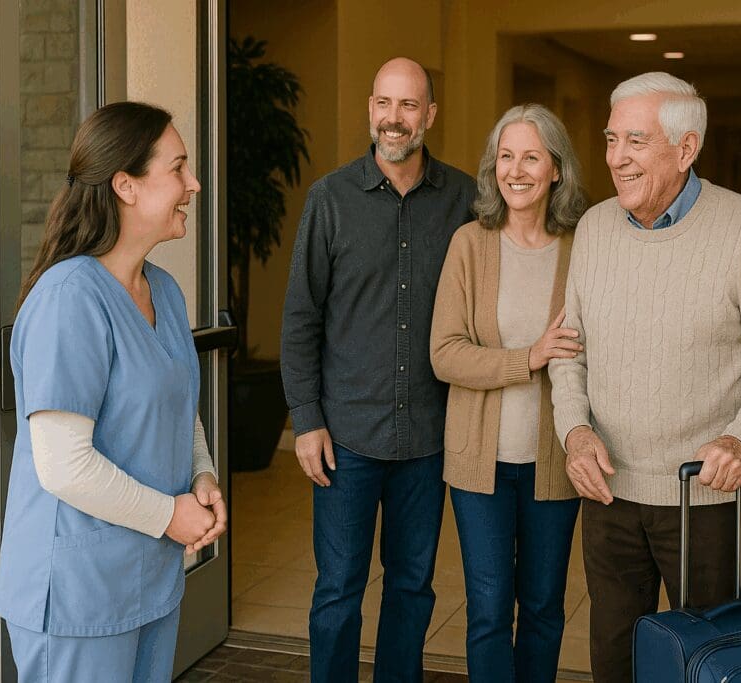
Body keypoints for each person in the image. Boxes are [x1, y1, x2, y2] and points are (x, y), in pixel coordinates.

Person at [548, 72, 741, 683]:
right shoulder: (593, 229)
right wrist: (575, 432)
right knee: (614, 660)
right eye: (612, 140)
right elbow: (569, 350)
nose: (616, 158)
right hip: (609, 491)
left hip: (705, 498)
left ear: (686, 149)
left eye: (635, 142)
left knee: (706, 668)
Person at [0, 101, 227, 682]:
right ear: (125, 185)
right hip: (78, 595)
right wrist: (170, 516)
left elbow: (178, 407)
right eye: (178, 169)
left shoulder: (165, 293)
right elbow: (64, 466)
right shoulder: (68, 298)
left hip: (150, 581)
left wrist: (202, 475)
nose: (192, 184)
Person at [280, 57, 476, 683]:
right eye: (385, 105)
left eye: (410, 106)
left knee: (413, 587)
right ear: (371, 109)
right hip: (347, 439)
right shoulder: (330, 199)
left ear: (430, 115)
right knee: (338, 591)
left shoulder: (465, 200)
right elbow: (300, 318)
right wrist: (306, 421)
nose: (395, 119)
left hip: (427, 435)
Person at [430, 104, 587, 682]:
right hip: (481, 466)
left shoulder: (582, 248)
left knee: (545, 608)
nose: (515, 170)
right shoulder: (470, 244)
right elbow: (443, 353)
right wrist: (529, 358)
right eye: (505, 156)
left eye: (530, 157)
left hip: (555, 462)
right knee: (490, 610)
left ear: (556, 170)